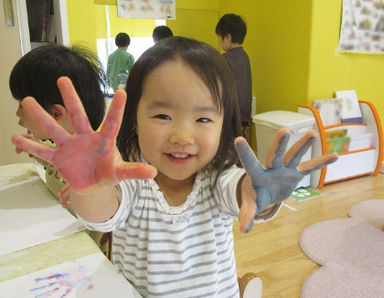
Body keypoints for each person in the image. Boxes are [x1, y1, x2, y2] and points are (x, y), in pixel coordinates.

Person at [12, 37, 338, 297]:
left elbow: (240, 192)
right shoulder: (130, 174)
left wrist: (258, 192)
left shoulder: (219, 177)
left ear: (223, 125)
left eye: (203, 119)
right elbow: (104, 211)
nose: (182, 136)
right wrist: (90, 187)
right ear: (134, 118)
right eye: (163, 116)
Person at [9, 43, 110, 255]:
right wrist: (33, 147)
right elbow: (52, 157)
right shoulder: (62, 148)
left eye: (21, 106)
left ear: (56, 114)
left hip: (86, 252)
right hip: (58, 230)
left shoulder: (94, 162)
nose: (18, 114)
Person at [216, 13, 253, 143]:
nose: (220, 43)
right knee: (239, 145)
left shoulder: (225, 59)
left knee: (227, 145)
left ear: (227, 37)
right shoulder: (244, 56)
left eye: (220, 39)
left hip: (231, 114)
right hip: (244, 113)